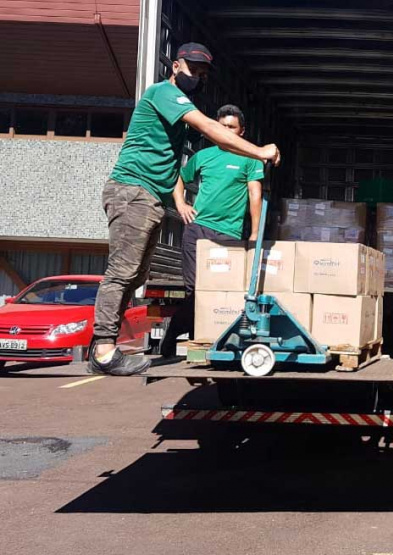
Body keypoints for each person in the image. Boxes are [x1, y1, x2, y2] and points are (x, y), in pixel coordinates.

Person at [89, 43, 281, 376]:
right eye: (193, 70)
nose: (198, 77)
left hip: (149, 198)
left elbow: (187, 161)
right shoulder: (164, 93)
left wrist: (177, 201)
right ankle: (104, 350)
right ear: (176, 66)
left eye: (203, 72)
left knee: (135, 274)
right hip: (133, 191)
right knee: (122, 271)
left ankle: (106, 348)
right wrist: (260, 150)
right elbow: (212, 131)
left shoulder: (179, 103)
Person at [159, 105, 264, 356]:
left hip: (227, 234)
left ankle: (207, 342)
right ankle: (177, 339)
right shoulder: (204, 156)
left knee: (220, 291)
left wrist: (254, 233)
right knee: (195, 291)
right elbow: (178, 177)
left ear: (241, 132)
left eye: (231, 127)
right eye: (221, 126)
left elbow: (254, 194)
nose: (225, 131)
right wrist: (181, 203)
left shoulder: (249, 158)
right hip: (198, 230)